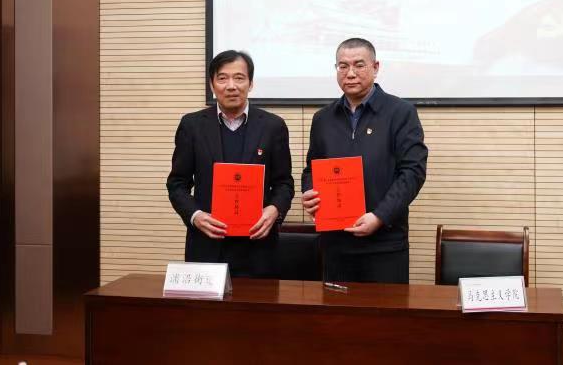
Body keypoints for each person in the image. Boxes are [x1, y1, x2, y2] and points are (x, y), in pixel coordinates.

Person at [301, 38, 428, 283]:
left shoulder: (401, 112)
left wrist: (379, 216)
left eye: (359, 65)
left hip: (385, 243)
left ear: (375, 67)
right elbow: (311, 169)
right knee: (337, 308)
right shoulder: (322, 118)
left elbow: (413, 172)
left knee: (386, 308)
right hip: (336, 243)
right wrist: (310, 192)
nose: (350, 73)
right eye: (343, 66)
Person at [167, 50, 294, 277]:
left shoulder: (273, 126)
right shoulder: (192, 125)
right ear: (212, 84)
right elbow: (177, 184)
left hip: (258, 248)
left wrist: (274, 210)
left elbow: (284, 183)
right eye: (222, 78)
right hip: (207, 245)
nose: (231, 86)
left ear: (250, 83)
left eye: (239, 78)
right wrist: (196, 216)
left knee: (257, 302)